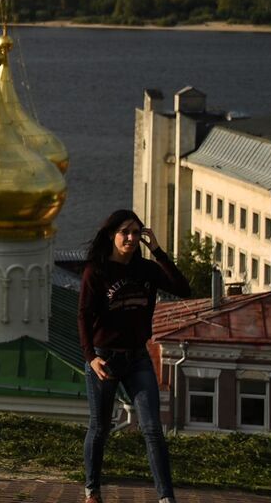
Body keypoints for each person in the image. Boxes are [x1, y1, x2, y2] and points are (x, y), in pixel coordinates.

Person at [78, 210, 191, 503]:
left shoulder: (146, 270)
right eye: (124, 232)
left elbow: (183, 288)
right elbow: (83, 315)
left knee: (153, 427)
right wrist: (91, 357)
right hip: (105, 358)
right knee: (100, 427)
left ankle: (166, 498)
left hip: (138, 358)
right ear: (111, 235)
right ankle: (92, 490)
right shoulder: (97, 271)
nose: (130, 238)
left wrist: (157, 250)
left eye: (135, 232)